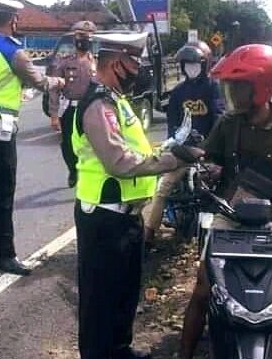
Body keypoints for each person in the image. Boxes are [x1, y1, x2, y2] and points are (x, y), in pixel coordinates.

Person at [73, 32, 201, 359]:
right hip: (103, 216)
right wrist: (174, 159)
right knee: (100, 299)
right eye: (135, 62)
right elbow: (119, 161)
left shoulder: (116, 101)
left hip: (126, 215)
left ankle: (119, 349)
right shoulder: (99, 104)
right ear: (117, 63)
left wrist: (170, 148)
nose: (140, 69)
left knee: (124, 293)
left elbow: (137, 150)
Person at [180, 44, 272, 359]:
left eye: (239, 86)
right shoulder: (228, 123)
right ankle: (183, 354)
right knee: (202, 287)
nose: (233, 94)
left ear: (260, 87)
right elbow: (210, 159)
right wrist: (208, 169)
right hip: (230, 214)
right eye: (231, 87)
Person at [0, 0, 64, 275]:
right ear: (11, 20)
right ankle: (5, 255)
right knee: (4, 192)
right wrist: (59, 81)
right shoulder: (13, 52)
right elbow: (41, 82)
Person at [142, 41, 224, 246]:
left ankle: (218, 237)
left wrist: (211, 149)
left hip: (209, 154)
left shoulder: (213, 87)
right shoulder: (178, 92)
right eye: (187, 64)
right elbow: (173, 125)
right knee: (163, 187)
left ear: (204, 65)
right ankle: (149, 233)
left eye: (194, 63)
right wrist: (175, 149)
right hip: (184, 155)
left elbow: (219, 118)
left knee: (218, 191)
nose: (190, 67)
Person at [49, 20, 97, 188]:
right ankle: (73, 169)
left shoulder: (96, 62)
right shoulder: (64, 62)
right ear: (75, 39)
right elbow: (54, 89)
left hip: (91, 109)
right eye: (81, 36)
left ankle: (88, 172)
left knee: (93, 142)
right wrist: (54, 115)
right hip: (70, 108)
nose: (84, 40)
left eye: (88, 37)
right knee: (68, 144)